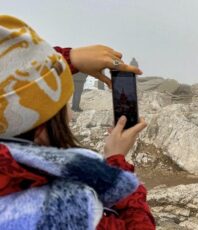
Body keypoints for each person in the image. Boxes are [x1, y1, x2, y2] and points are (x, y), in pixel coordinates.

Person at [0, 15, 155, 229]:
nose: (70, 114)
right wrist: (116, 161)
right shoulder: (61, 212)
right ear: (40, 125)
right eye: (65, 101)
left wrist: (68, 59)